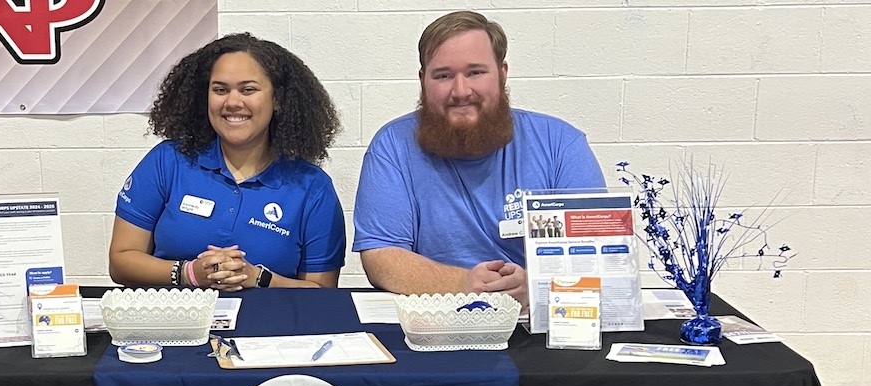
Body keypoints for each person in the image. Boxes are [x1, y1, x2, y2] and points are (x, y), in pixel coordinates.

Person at [352, 11, 605, 306]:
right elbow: (381, 256)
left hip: (540, 321)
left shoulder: (561, 144)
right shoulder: (392, 146)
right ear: (423, 80)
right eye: (443, 75)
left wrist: (539, 286)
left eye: (475, 72)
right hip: (435, 316)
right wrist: (461, 283)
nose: (461, 91)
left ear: (502, 72)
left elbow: (597, 252)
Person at [109, 33, 345, 291]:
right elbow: (121, 261)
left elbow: (322, 293)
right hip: (173, 327)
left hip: (272, 327)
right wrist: (189, 273)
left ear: (277, 99)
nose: (233, 102)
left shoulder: (312, 186)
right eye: (220, 90)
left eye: (248, 90)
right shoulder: (167, 161)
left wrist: (258, 278)